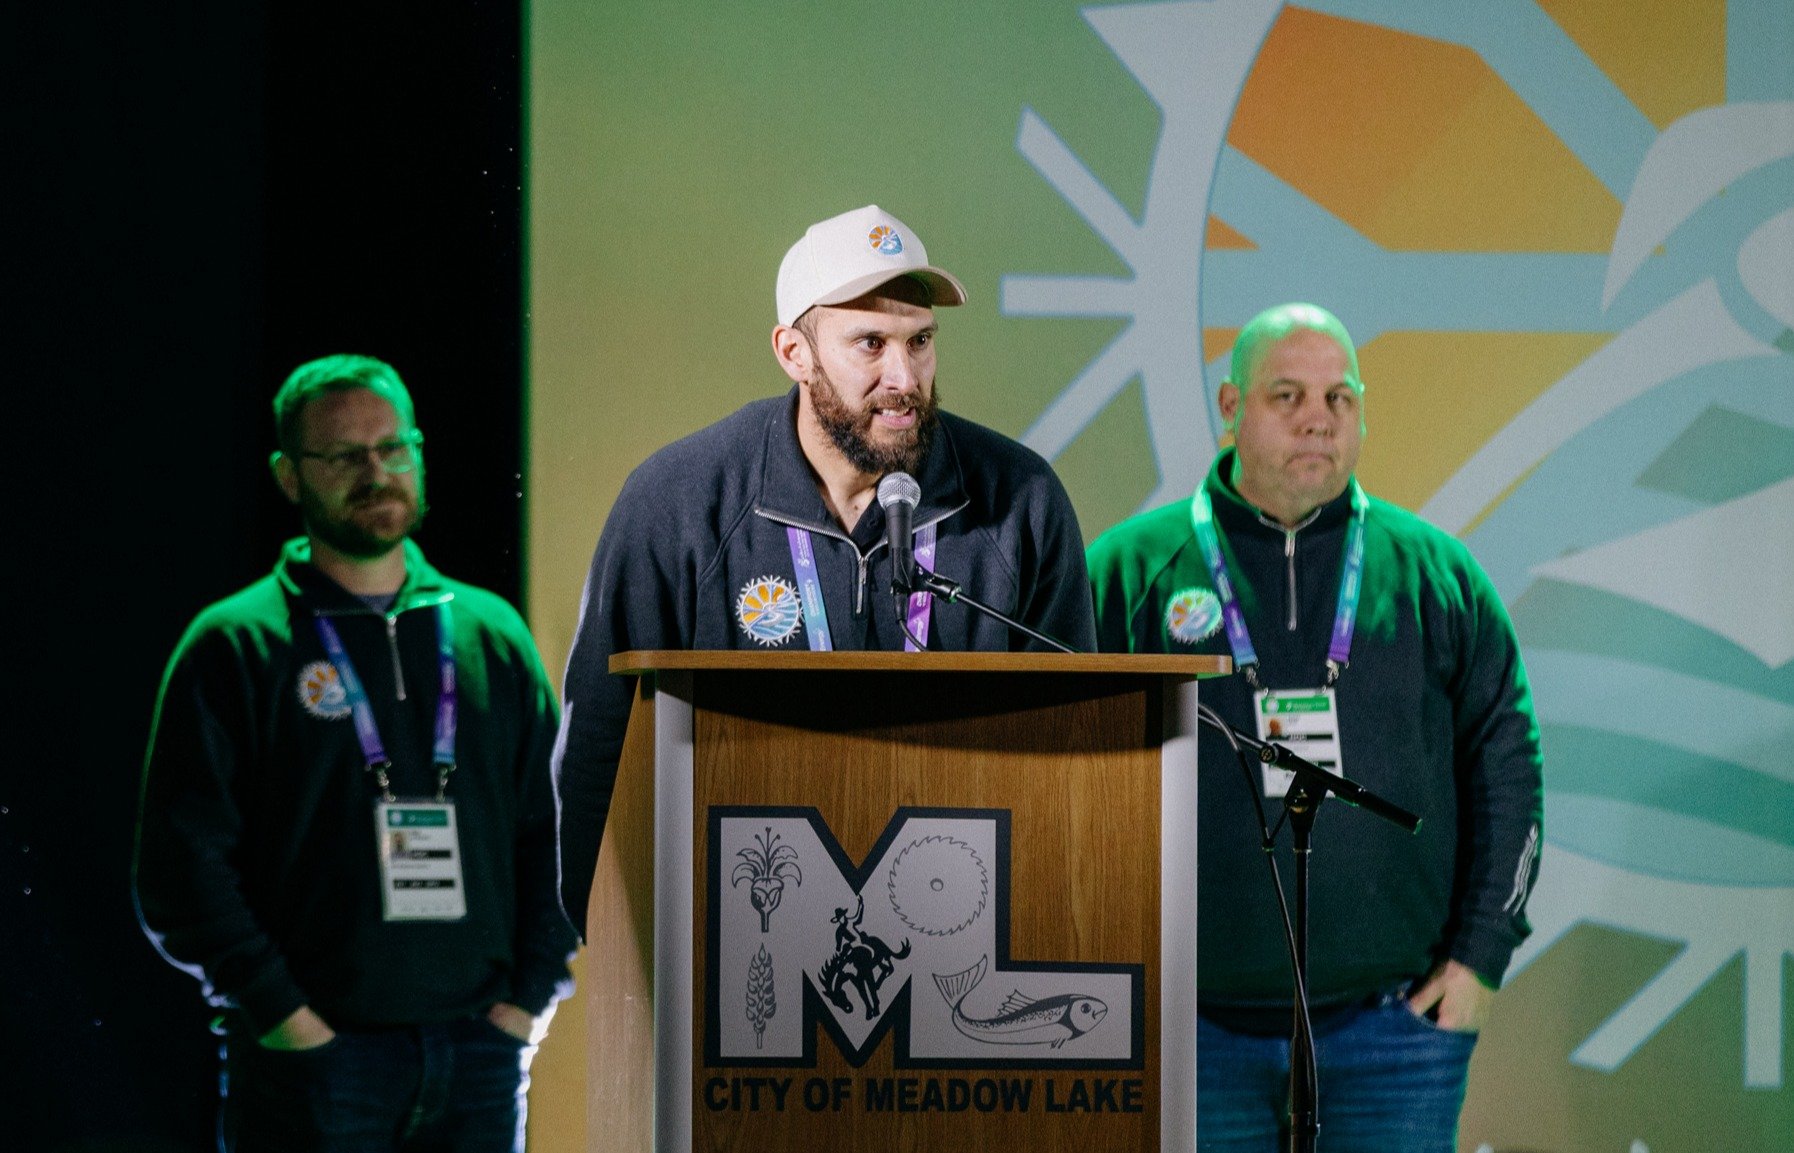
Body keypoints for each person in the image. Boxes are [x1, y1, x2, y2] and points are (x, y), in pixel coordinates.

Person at [553, 204, 1097, 930]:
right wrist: (613, 936)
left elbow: (1072, 748)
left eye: (920, 341)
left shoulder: (1019, 500)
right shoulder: (676, 501)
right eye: (870, 343)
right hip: (740, 929)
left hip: (961, 924)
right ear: (794, 352)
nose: (904, 377)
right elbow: (603, 740)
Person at [1086, 304, 1544, 1151]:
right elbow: (1063, 782)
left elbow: (1508, 770)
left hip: (1395, 1034)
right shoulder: (1128, 570)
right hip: (1190, 1029)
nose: (1317, 418)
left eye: (1340, 398)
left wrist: (1481, 956)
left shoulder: (1436, 575)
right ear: (1231, 407)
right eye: (1287, 394)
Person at [134, 354, 577, 1152]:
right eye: (344, 455)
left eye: (392, 447)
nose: (376, 473)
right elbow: (180, 868)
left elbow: (555, 833)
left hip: (478, 1056)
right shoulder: (235, 643)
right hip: (313, 1066)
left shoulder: (491, 633)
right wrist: (287, 1018)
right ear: (289, 475)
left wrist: (527, 1004)